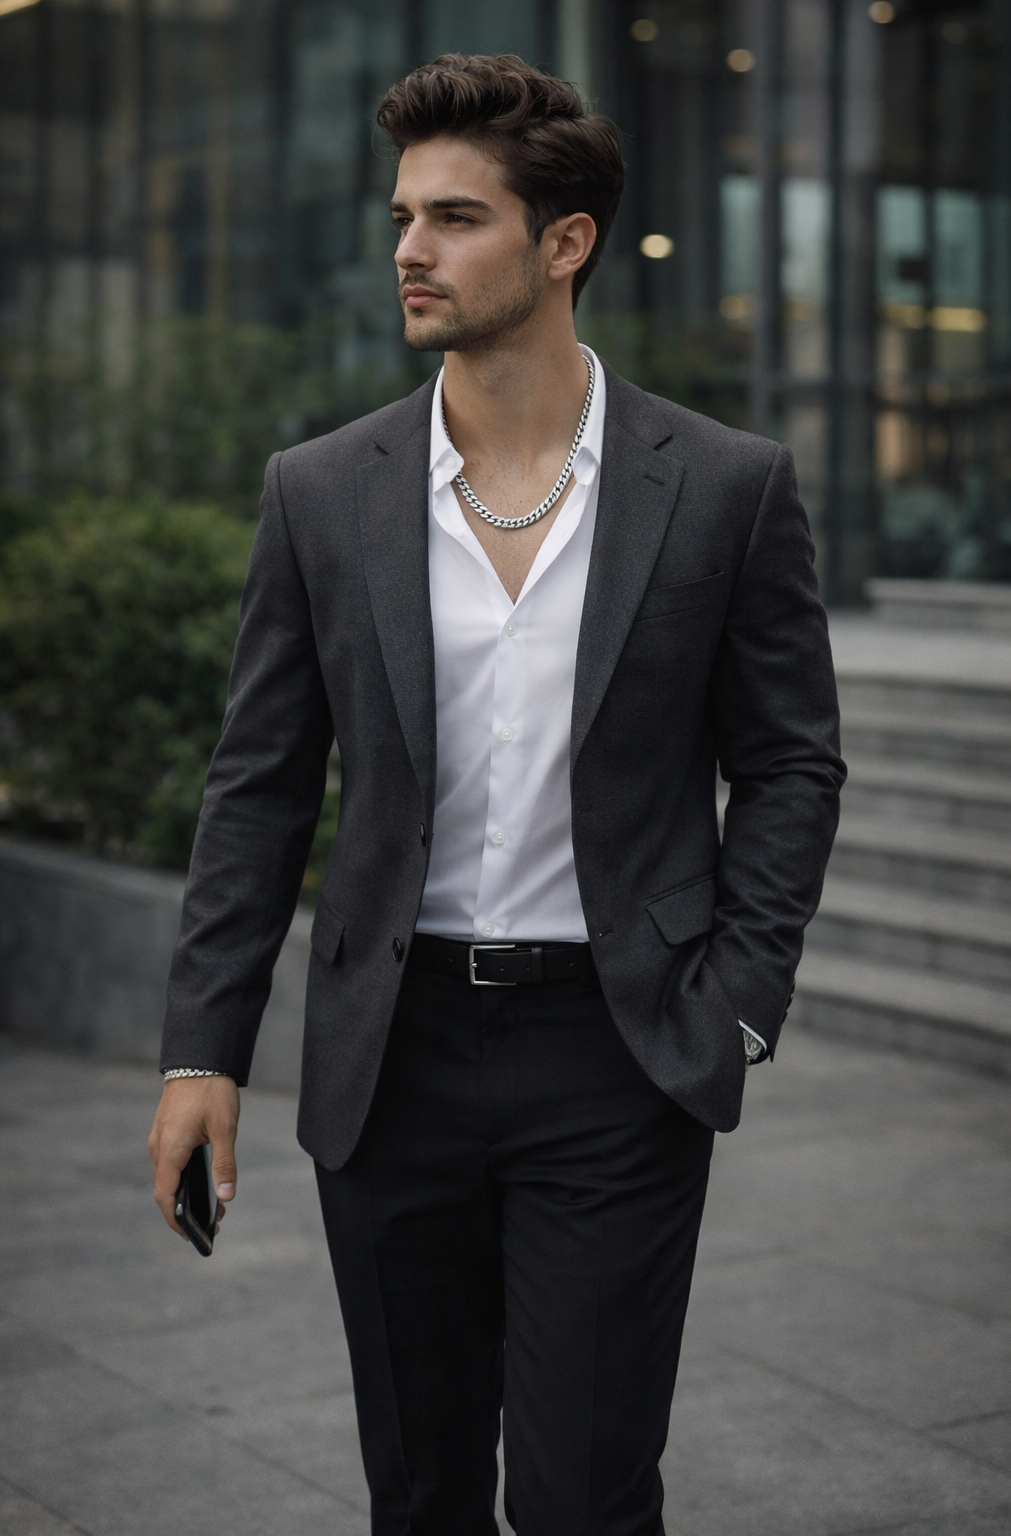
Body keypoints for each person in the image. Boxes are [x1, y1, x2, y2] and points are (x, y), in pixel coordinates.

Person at [148, 52, 845, 1536]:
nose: (410, 247)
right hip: (388, 1062)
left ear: (564, 242)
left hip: (619, 1051)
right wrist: (201, 1050)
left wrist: (741, 991)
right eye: (403, 215)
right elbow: (259, 786)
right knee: (421, 1490)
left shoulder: (724, 487)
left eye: (457, 218)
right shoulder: (321, 492)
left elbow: (790, 758)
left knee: (591, 1496)